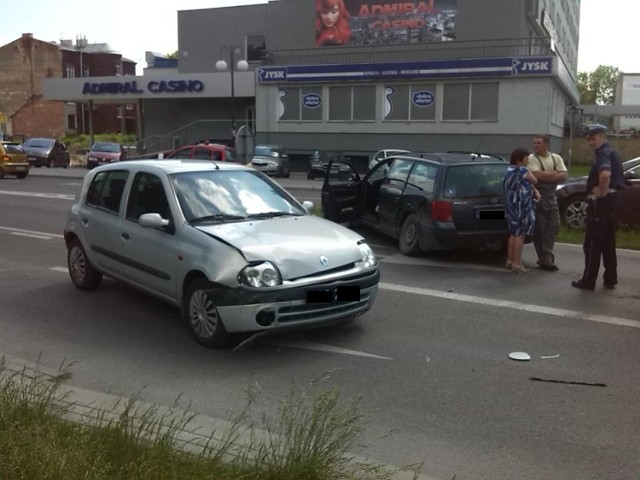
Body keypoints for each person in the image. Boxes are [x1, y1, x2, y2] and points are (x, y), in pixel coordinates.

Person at [571, 124, 625, 291]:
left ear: (602, 136)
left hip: (602, 203)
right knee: (609, 242)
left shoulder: (603, 154)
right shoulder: (612, 152)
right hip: (613, 201)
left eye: (593, 138)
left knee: (592, 244)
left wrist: (601, 191)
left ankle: (588, 281)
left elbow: (605, 174)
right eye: (589, 139)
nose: (590, 142)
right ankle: (610, 279)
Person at [527, 134, 568, 271]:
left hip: (551, 196)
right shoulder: (532, 158)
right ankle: (545, 258)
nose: (535, 145)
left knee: (554, 225)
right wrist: (555, 174)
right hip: (538, 196)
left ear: (546, 144)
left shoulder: (556, 158)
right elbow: (536, 176)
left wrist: (547, 176)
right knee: (539, 228)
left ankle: (546, 254)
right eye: (534, 143)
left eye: (538, 143)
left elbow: (565, 175)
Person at [503, 148, 540, 273]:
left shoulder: (509, 170)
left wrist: (534, 190)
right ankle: (517, 263)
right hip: (521, 206)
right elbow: (535, 180)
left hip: (511, 205)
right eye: (526, 158)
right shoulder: (522, 170)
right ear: (519, 160)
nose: (528, 160)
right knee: (520, 234)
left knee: (513, 233)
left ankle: (510, 259)